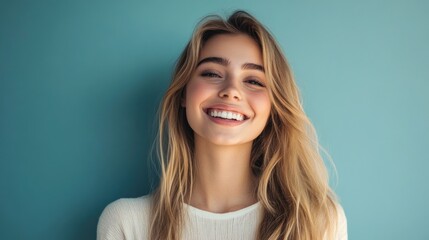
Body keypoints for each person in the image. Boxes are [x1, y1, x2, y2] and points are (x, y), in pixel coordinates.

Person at [97, 10, 347, 240]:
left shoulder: (319, 221)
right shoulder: (126, 223)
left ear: (274, 106)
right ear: (184, 94)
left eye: (254, 81)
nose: (231, 91)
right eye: (212, 74)